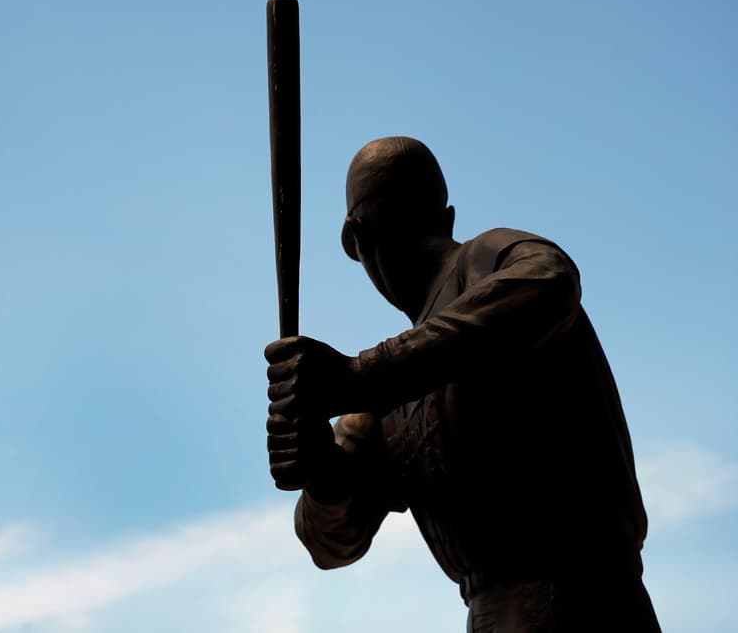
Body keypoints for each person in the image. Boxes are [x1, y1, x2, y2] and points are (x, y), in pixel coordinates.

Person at [265, 136, 661, 632]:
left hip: (590, 601)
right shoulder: (385, 398)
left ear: (355, 238)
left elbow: (550, 279)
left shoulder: (487, 259)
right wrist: (319, 465)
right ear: (446, 215)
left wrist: (357, 376)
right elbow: (330, 541)